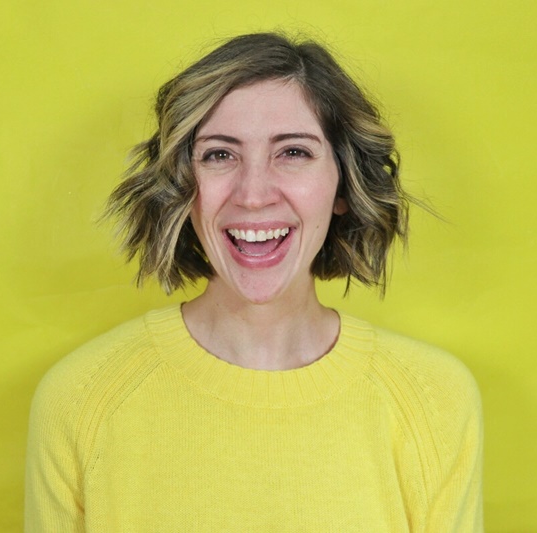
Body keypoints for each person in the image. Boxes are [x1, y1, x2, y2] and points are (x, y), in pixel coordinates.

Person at [25, 32, 483, 532]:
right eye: (220, 155)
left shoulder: (434, 400)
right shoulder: (79, 398)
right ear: (183, 187)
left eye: (293, 152)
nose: (254, 194)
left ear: (344, 186)